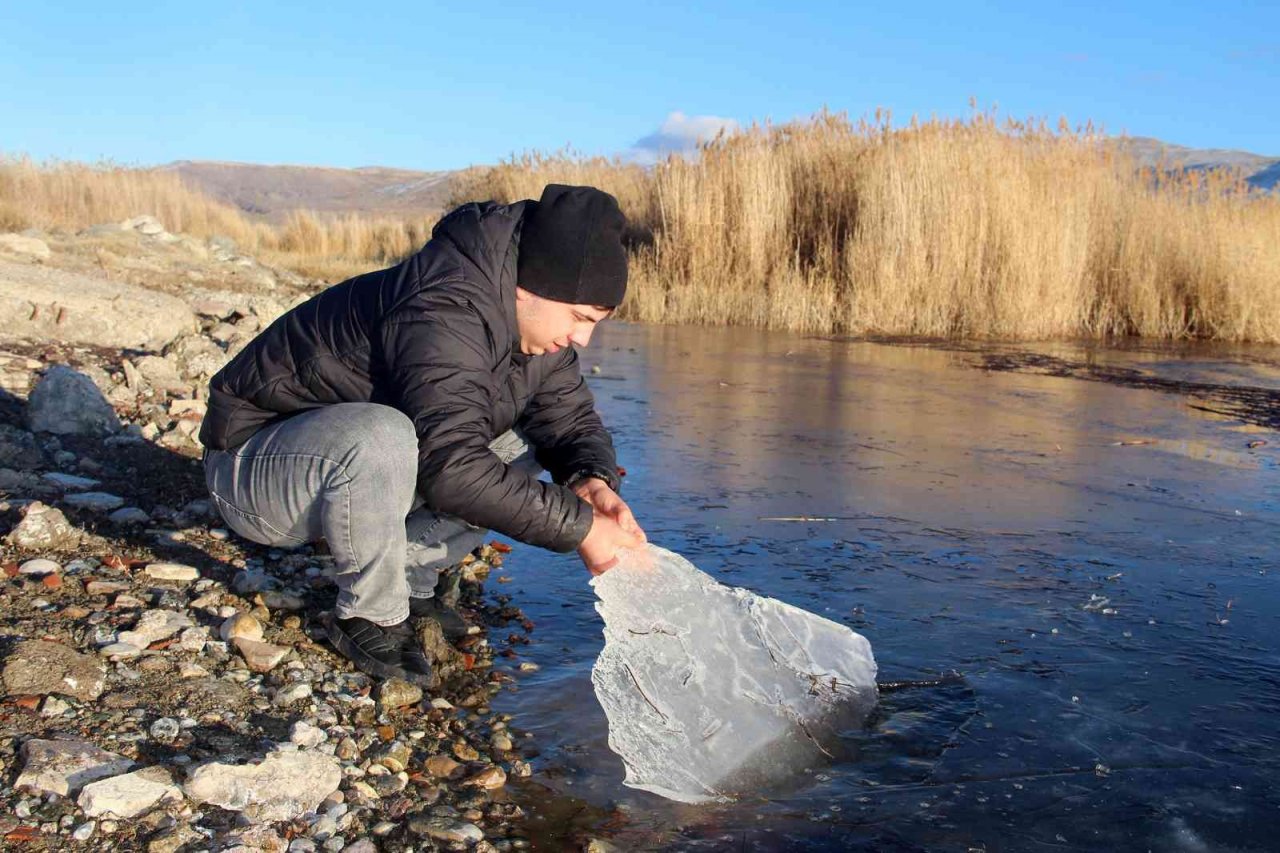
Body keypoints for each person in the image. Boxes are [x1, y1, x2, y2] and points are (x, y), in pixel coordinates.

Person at [199, 184, 647, 686]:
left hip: (345, 470)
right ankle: (369, 614)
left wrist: (590, 482)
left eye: (595, 324)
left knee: (521, 444)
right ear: (532, 288)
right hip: (254, 467)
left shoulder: (539, 336)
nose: (582, 339)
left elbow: (570, 421)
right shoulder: (442, 304)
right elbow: (451, 469)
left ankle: (410, 576)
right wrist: (582, 529)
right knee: (383, 436)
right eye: (581, 319)